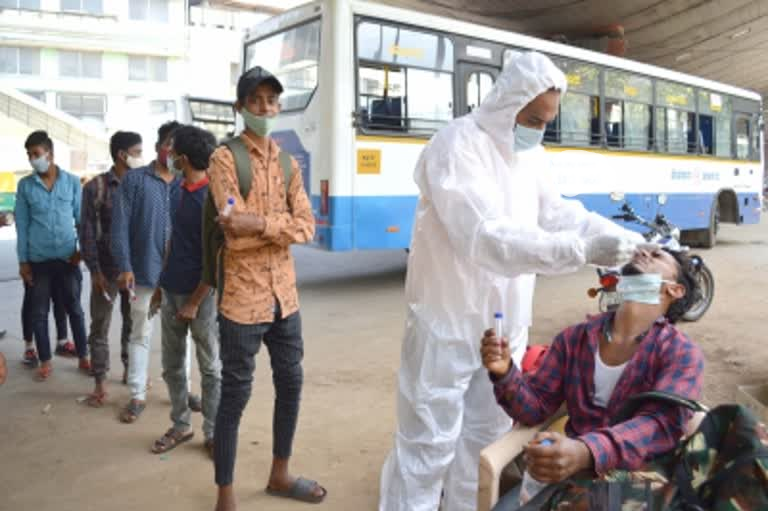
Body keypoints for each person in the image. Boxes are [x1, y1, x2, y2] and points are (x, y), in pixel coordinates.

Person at [378, 51, 645, 511]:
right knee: (426, 447)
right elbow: (484, 237)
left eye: (546, 122)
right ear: (508, 103)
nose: (538, 130)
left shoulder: (531, 157)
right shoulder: (457, 145)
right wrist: (580, 251)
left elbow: (558, 213)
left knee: (484, 442)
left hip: (504, 325)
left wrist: (610, 235)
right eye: (533, 119)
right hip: (447, 321)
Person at [481, 247, 704, 510]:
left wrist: (586, 451)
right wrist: (504, 372)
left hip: (641, 480)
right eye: (643, 249)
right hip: (570, 476)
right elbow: (534, 408)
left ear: (675, 290)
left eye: (656, 255)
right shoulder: (573, 339)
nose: (643, 251)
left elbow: (661, 425)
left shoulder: (681, 353)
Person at [208, 66, 325, 510]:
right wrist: (276, 226)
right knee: (235, 395)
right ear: (240, 108)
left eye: (272, 101)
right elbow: (231, 229)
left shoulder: (289, 162)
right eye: (256, 100)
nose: (266, 108)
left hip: (285, 298)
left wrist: (259, 222)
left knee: (290, 384)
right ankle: (225, 494)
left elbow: (307, 227)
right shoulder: (225, 159)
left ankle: (279, 473)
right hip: (241, 299)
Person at [151, 125, 221, 457]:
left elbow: (217, 258)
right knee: (172, 364)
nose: (169, 156)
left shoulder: (215, 198)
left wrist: (195, 301)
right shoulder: (177, 190)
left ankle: (213, 430)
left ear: (183, 157)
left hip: (201, 297)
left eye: (173, 151)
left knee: (209, 366)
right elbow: (173, 241)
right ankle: (181, 424)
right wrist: (159, 285)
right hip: (171, 289)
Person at [111, 121, 181, 423]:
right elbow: (119, 226)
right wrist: (125, 266)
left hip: (180, 275)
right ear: (157, 147)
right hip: (143, 271)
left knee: (181, 336)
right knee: (140, 333)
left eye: (179, 148)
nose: (173, 152)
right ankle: (137, 394)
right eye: (169, 144)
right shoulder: (135, 181)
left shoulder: (185, 183)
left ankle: (181, 392)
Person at [15, 130, 90, 381]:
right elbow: (22, 226)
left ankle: (83, 357)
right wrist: (23, 261)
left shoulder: (70, 182)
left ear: (50, 154)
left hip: (68, 258)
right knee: (39, 312)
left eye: (36, 154)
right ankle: (45, 361)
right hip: (38, 260)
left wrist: (82, 251)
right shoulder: (25, 186)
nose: (33, 159)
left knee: (75, 309)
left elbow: (82, 221)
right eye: (29, 155)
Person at [80, 131, 143, 407]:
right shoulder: (96, 188)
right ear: (122, 154)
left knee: (133, 326)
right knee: (100, 327)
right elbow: (87, 233)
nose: (141, 157)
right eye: (137, 152)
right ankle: (100, 382)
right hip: (105, 272)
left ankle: (131, 371)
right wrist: (94, 271)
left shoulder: (142, 185)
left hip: (133, 272)